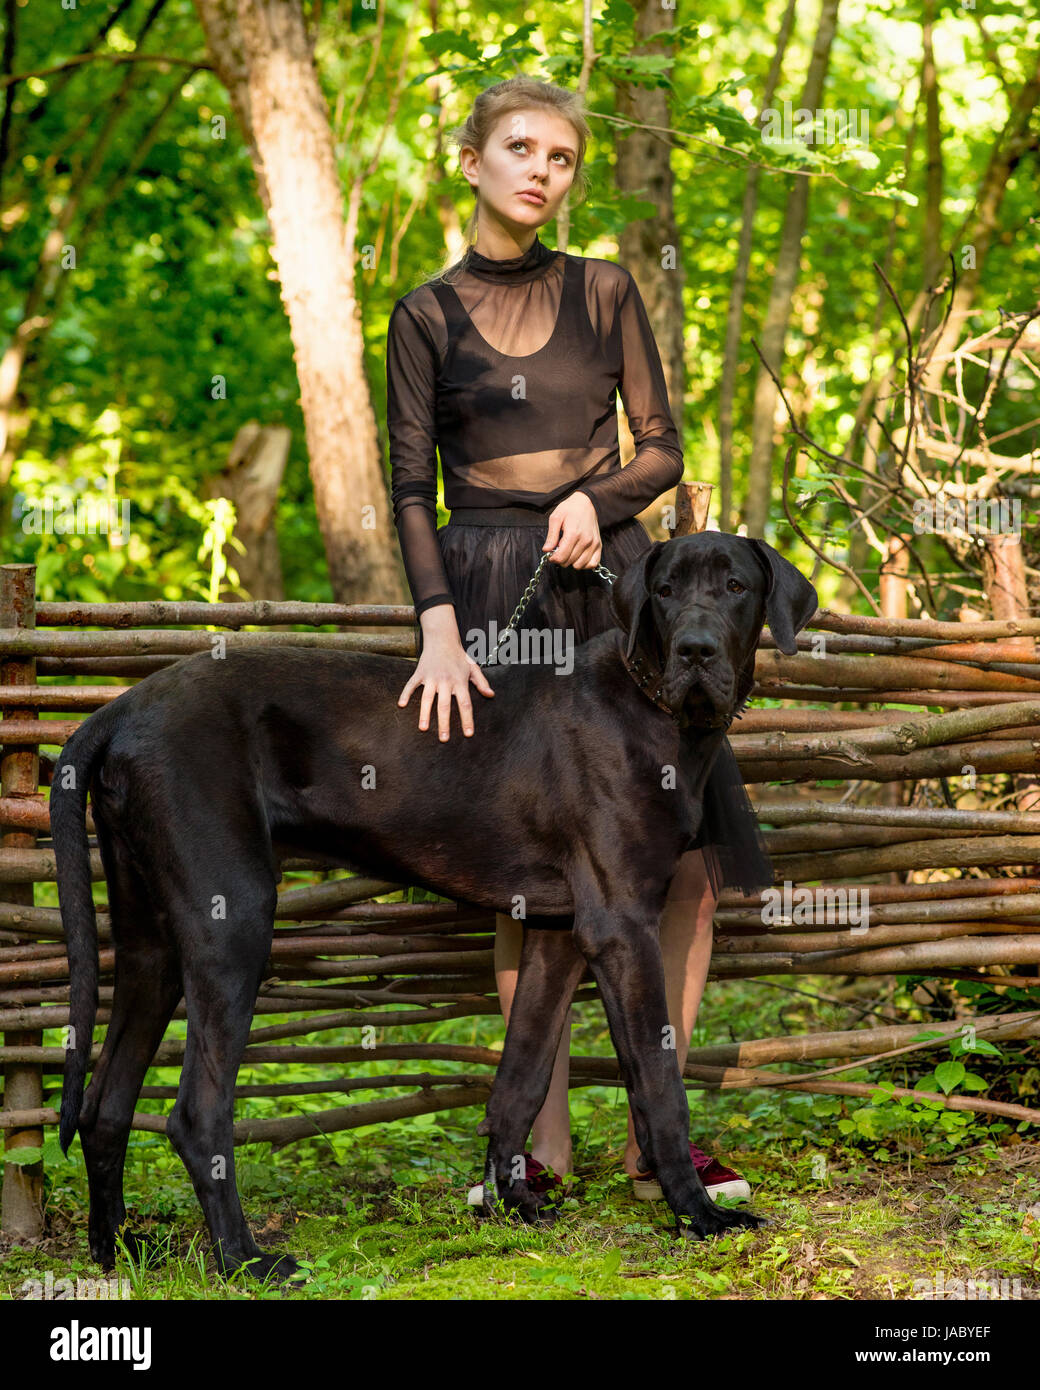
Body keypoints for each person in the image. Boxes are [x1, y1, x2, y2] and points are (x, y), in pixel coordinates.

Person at [386, 76, 770, 1207]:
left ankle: (662, 1144)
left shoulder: (604, 291)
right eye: (518, 148)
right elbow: (409, 487)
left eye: (559, 157)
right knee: (527, 880)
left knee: (684, 869)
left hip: (616, 595)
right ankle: (533, 1151)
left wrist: (597, 498)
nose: (540, 171)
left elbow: (662, 444)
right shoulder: (424, 313)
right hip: (491, 597)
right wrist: (437, 632)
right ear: (468, 159)